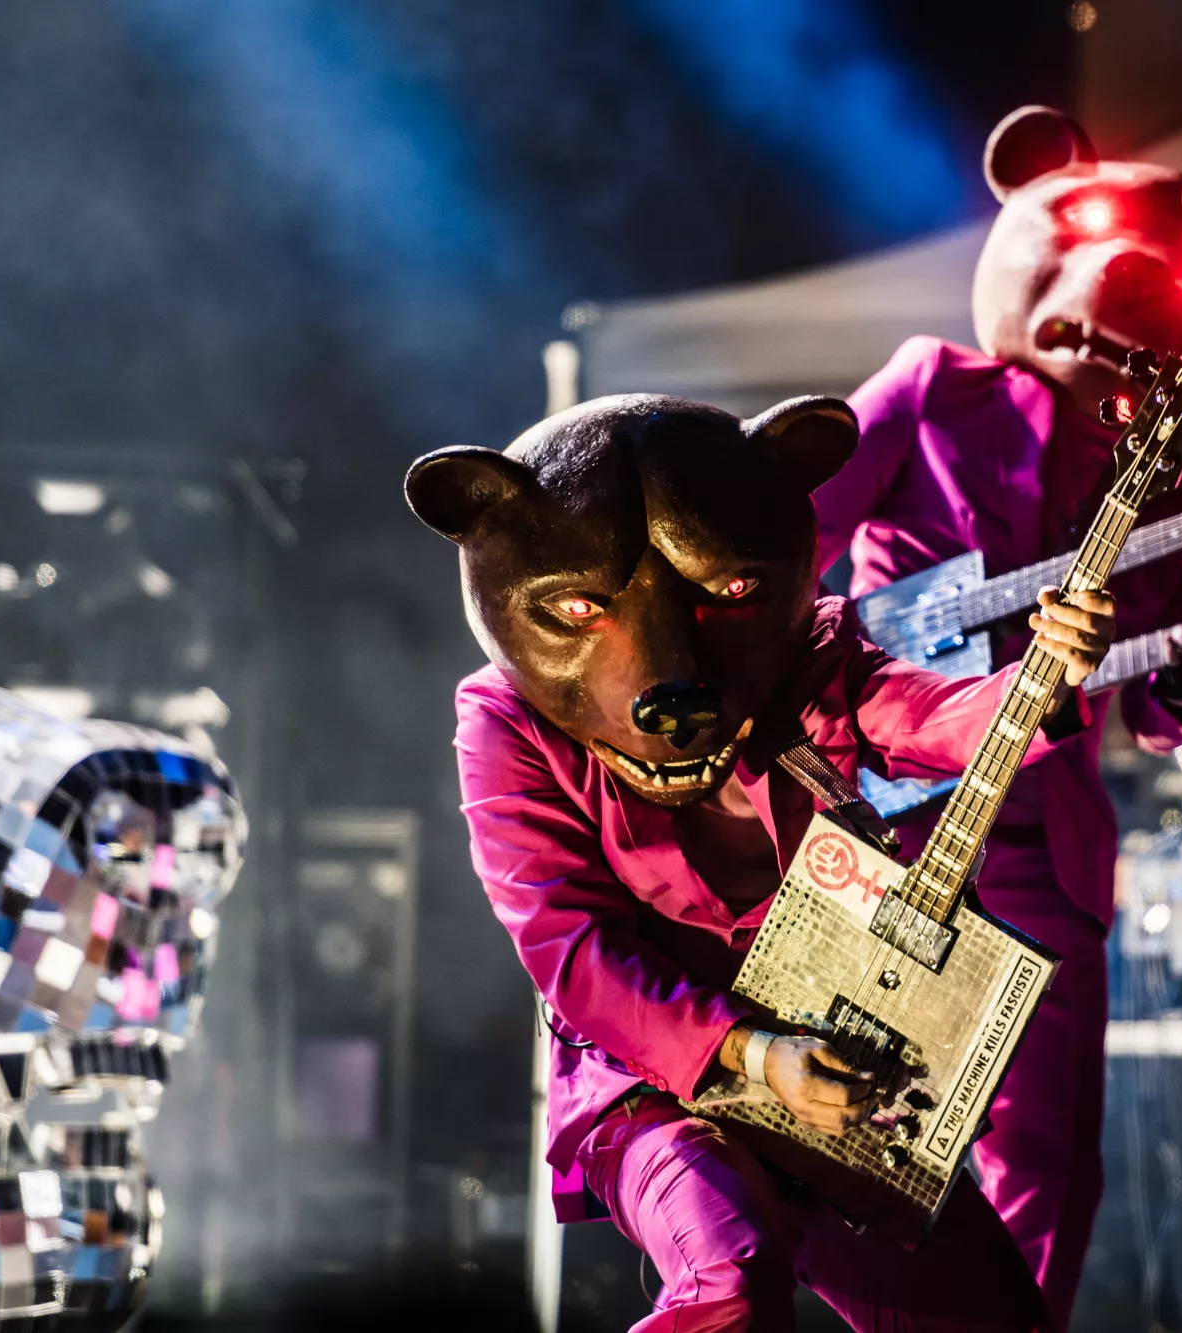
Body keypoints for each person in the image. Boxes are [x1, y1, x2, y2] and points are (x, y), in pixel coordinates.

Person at [807, 100, 1182, 1320]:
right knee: (822, 1122)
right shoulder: (930, 391)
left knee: (1042, 1158)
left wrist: (1177, 677)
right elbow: (794, 536)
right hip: (874, 814)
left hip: (1033, 839)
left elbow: (1170, 719)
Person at [409, 392, 1115, 1331]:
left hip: (840, 1067)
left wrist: (1040, 685)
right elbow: (568, 948)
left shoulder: (812, 652)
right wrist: (748, 1052)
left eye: (729, 596)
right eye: (583, 609)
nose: (672, 679)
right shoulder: (506, 718)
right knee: (728, 1283)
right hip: (661, 1083)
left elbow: (925, 714)